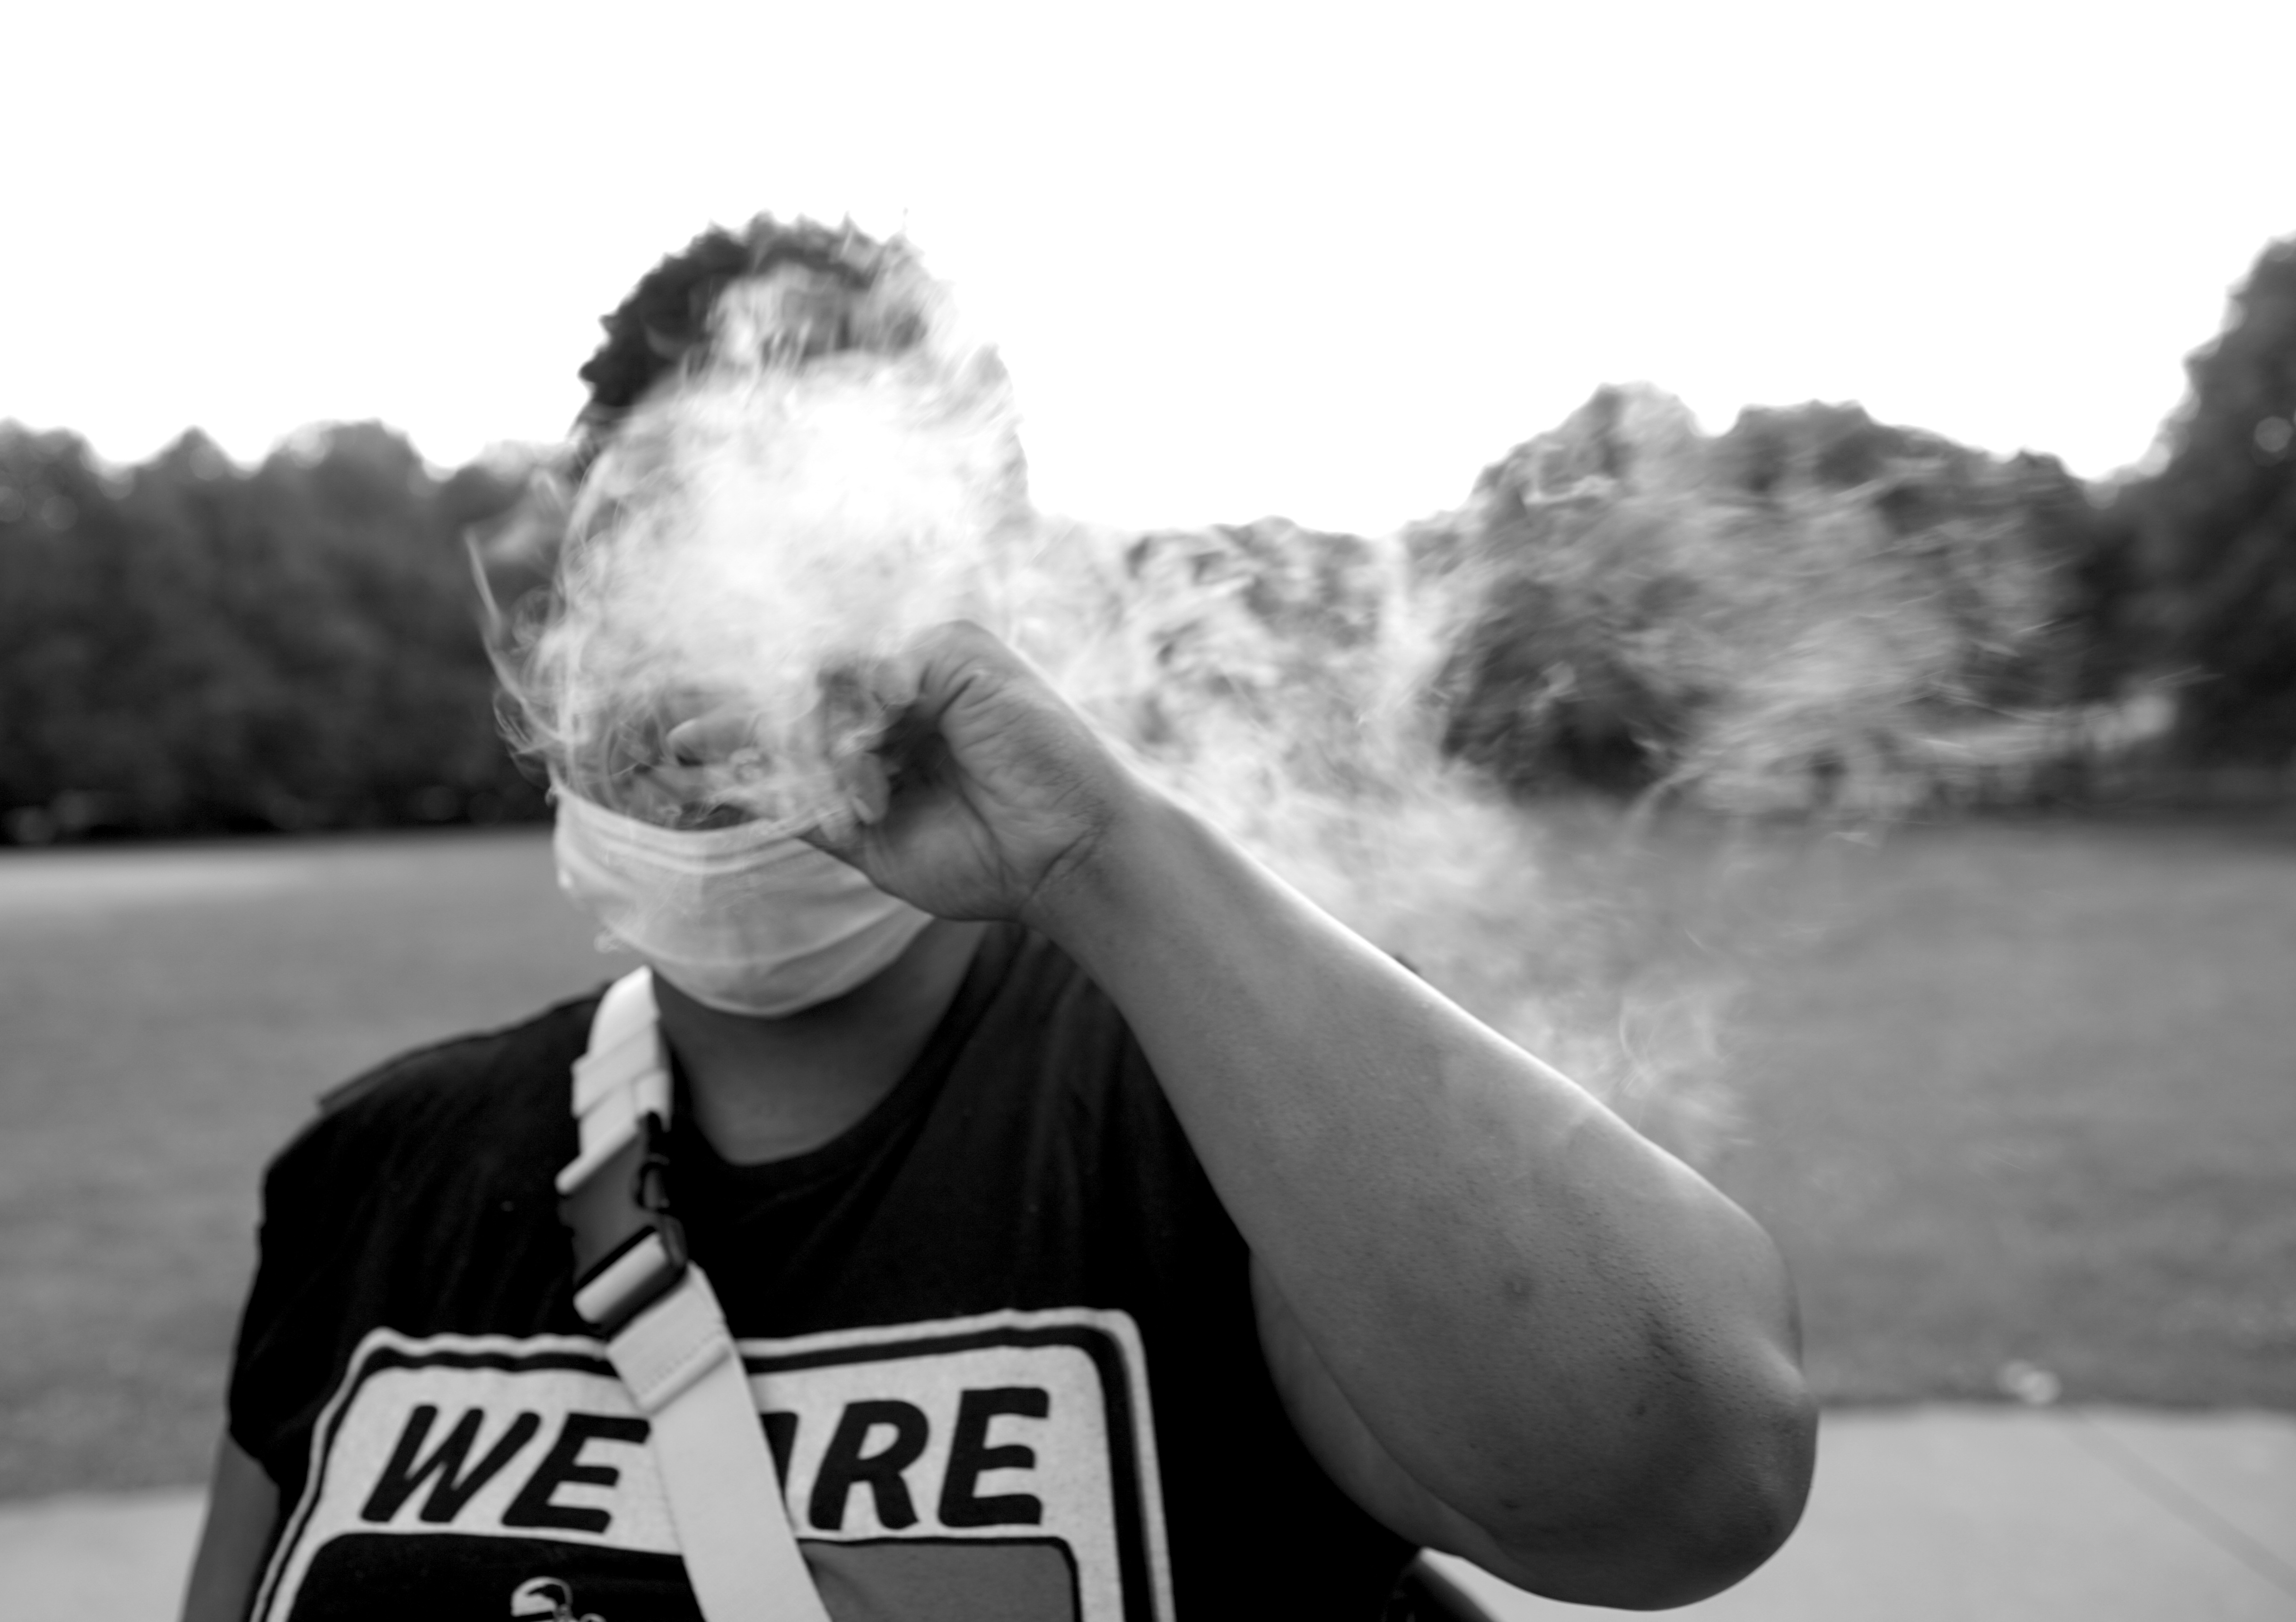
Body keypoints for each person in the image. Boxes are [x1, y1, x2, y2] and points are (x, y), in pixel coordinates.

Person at [183, 219, 1815, 1622]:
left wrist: (1102, 850)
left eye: (821, 543)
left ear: (994, 619)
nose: (715, 629)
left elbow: (1688, 1475)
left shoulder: (1219, 1098)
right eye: (651, 543)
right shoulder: (375, 1169)